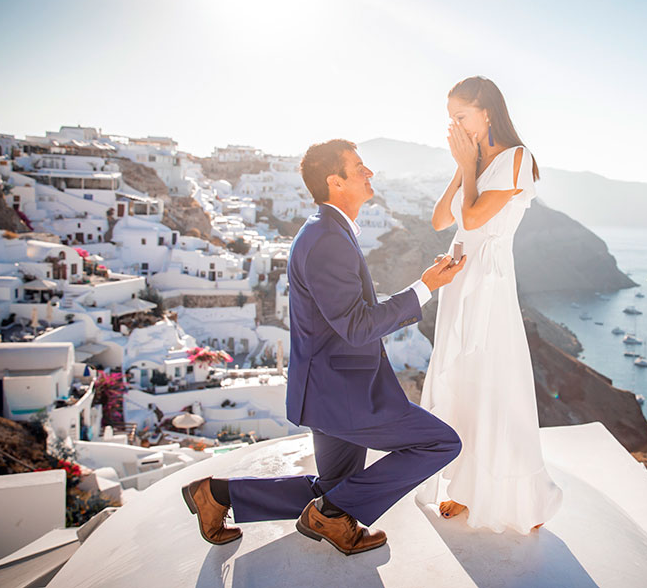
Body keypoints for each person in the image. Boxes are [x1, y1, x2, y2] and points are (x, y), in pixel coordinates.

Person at [182, 139, 466, 555]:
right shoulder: (327, 238)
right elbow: (356, 326)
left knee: (337, 491)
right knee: (440, 443)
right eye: (359, 167)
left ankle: (217, 494)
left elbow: (345, 316)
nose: (370, 173)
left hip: (328, 388)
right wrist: (425, 287)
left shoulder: (327, 231)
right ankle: (329, 517)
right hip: (344, 393)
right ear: (335, 181)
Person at [416, 76, 563, 533]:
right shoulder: (473, 162)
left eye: (461, 117)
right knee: (462, 380)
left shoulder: (518, 159)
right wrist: (464, 167)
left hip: (490, 281)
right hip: (460, 277)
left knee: (495, 381)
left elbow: (477, 217)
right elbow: (442, 219)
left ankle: (518, 498)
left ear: (486, 111)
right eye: (451, 121)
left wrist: (468, 164)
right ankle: (464, 487)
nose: (456, 127)